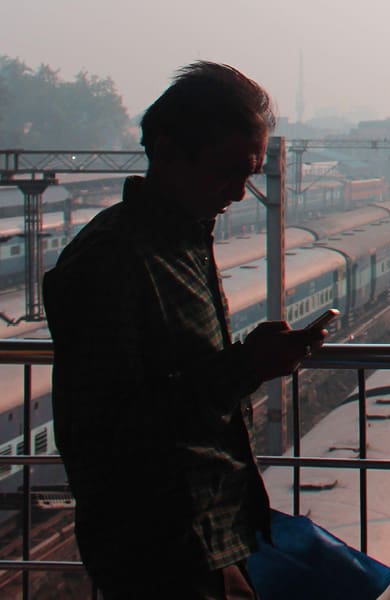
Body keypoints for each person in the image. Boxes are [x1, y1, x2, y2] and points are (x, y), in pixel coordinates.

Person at [44, 61, 326, 600]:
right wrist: (248, 367)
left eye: (250, 175)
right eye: (229, 172)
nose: (241, 194)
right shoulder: (111, 260)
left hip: (208, 536)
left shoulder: (182, 244)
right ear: (169, 151)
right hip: (160, 546)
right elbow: (108, 426)